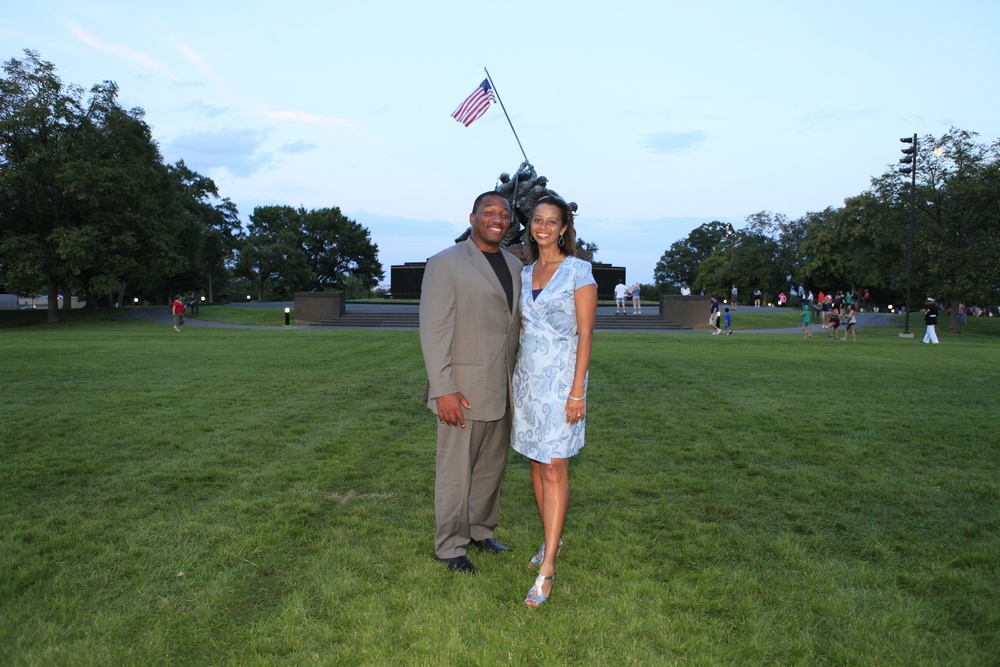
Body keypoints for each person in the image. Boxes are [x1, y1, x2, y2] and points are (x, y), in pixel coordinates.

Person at [419, 192, 522, 575]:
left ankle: (481, 530)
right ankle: (449, 546)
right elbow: (434, 330)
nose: (497, 218)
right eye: (489, 212)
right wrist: (443, 387)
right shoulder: (445, 263)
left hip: (502, 388)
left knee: (490, 469)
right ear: (473, 217)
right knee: (456, 471)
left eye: (504, 213)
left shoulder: (514, 265)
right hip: (461, 390)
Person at [512, 195, 597, 608]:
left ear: (564, 228)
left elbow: (585, 335)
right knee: (534, 460)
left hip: (563, 383)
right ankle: (551, 542)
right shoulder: (525, 271)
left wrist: (577, 390)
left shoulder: (579, 271)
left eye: (552, 221)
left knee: (555, 466)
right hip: (527, 382)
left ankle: (548, 571)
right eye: (537, 220)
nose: (543, 227)